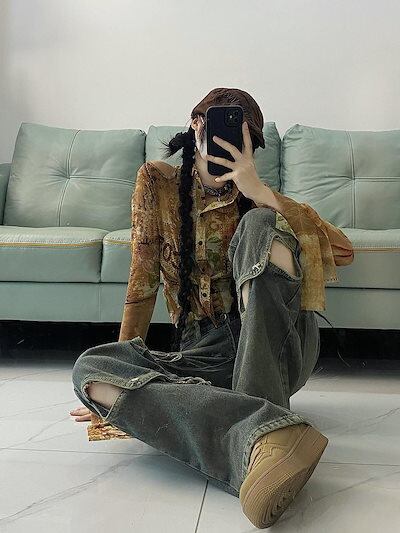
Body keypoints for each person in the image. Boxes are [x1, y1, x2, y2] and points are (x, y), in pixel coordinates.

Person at [70, 88, 353, 529]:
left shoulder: (257, 194)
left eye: (243, 138)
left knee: (262, 223)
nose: (228, 143)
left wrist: (260, 192)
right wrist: (122, 383)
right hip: (207, 351)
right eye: (217, 127)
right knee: (93, 370)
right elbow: (142, 279)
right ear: (195, 124)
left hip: (276, 341)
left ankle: (260, 433)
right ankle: (269, 436)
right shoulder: (157, 181)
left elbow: (342, 250)